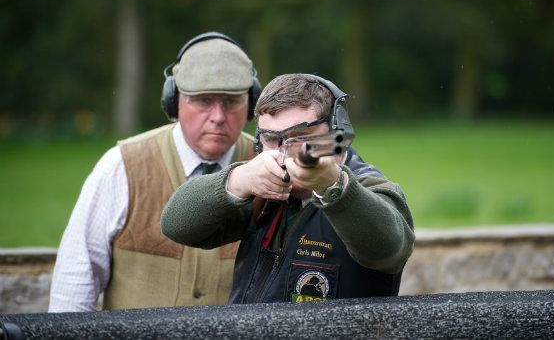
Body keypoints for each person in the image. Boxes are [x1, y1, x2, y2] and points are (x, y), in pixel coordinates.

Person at [49, 32, 261, 312]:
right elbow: (77, 275)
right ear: (174, 102)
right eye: (204, 100)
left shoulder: (267, 165)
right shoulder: (122, 165)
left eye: (232, 101)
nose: (218, 116)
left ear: (251, 104)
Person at [161, 73, 415, 303]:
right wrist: (238, 180)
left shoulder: (368, 186)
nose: (285, 150)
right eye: (272, 139)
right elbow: (176, 225)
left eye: (301, 136)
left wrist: (333, 187)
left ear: (338, 132)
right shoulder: (263, 190)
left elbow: (390, 249)